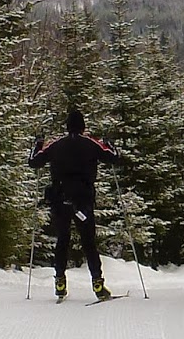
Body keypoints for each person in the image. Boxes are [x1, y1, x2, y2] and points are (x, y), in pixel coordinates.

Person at [29, 108, 124, 301]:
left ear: (67, 126)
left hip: (60, 198)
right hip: (83, 198)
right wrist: (109, 144)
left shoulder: (56, 145)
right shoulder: (91, 143)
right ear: (83, 127)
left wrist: (38, 144)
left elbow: (33, 162)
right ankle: (98, 284)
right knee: (89, 242)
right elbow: (113, 158)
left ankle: (60, 282)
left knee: (62, 239)